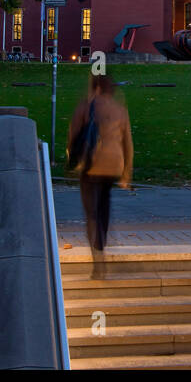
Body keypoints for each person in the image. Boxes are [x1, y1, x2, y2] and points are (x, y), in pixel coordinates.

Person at [66, 73, 133, 278]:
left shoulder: (87, 107)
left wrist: (72, 161)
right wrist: (126, 173)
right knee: (104, 209)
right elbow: (128, 143)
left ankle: (98, 262)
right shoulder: (120, 110)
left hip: (91, 166)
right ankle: (102, 246)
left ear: (95, 88)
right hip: (113, 166)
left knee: (92, 214)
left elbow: (73, 136)